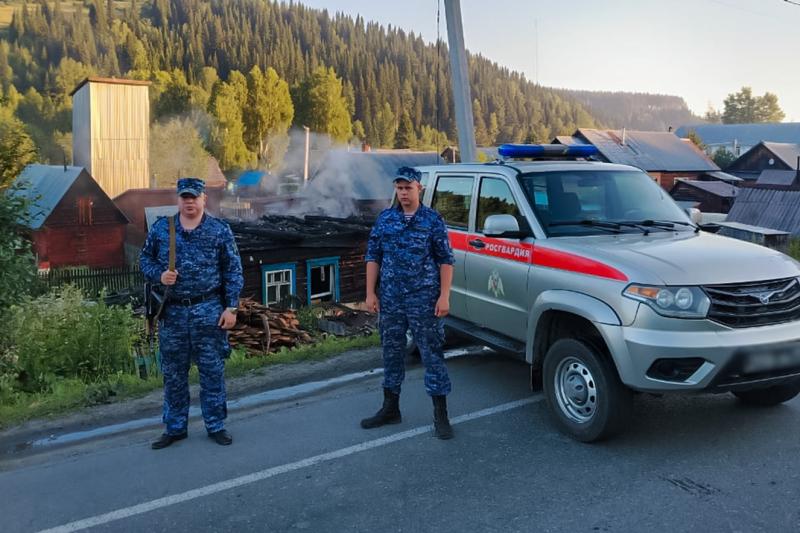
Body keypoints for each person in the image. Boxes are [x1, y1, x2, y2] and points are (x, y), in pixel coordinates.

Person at [140, 178, 243, 449]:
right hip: (172, 314)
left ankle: (215, 425)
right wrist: (160, 275)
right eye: (184, 197)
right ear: (178, 199)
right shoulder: (163, 229)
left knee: (212, 371)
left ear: (203, 199)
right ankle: (175, 428)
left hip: (208, 310)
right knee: (174, 374)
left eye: (194, 197)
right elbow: (144, 260)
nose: (189, 201)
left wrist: (231, 307)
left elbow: (233, 271)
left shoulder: (219, 231)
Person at [361, 166, 456, 439]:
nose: (403, 193)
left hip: (423, 299)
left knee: (431, 354)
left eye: (408, 188)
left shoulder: (432, 221)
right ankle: (390, 409)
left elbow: (445, 260)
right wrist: (370, 293)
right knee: (391, 352)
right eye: (399, 188)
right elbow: (373, 256)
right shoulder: (386, 219)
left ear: (419, 189)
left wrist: (444, 295)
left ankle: (441, 415)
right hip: (391, 299)